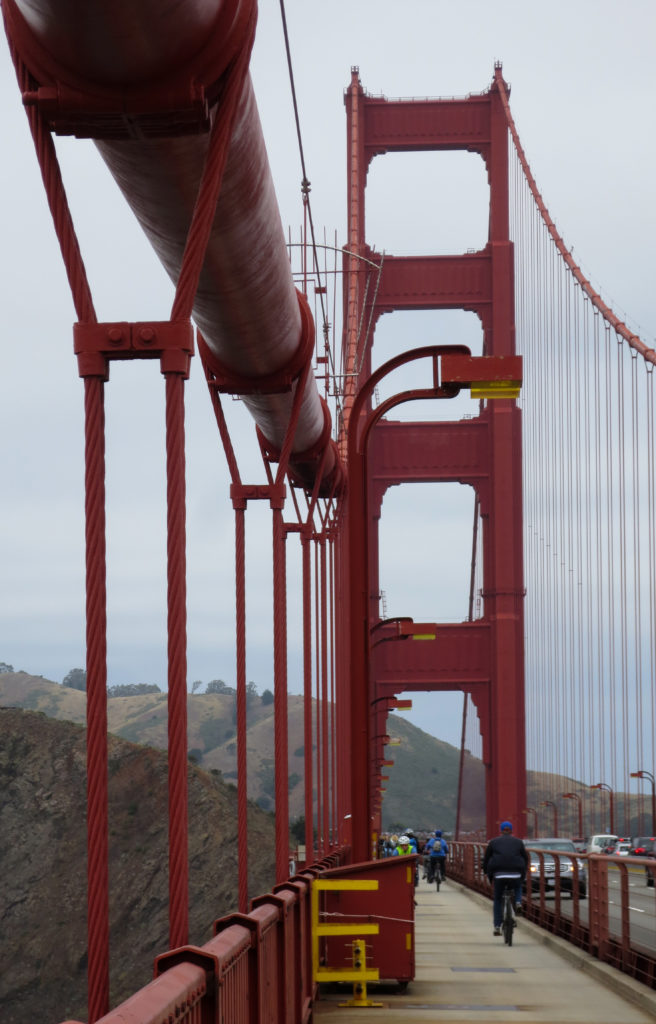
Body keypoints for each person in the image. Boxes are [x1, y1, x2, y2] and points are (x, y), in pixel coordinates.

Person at [483, 821, 528, 936]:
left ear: (501, 830)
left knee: (498, 899)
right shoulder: (519, 842)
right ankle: (518, 902)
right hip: (516, 873)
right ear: (511, 831)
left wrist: (486, 872)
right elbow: (525, 858)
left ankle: (497, 927)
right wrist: (524, 872)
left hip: (499, 874)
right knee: (518, 886)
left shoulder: (493, 842)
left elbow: (487, 859)